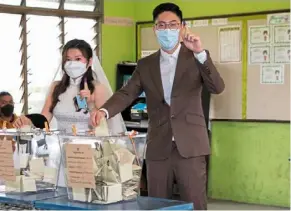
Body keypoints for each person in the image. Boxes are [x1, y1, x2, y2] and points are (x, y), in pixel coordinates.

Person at [91, 3, 225, 210]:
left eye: (173, 25)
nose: (167, 30)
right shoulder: (146, 64)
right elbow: (127, 93)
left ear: (183, 27)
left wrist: (200, 53)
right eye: (161, 25)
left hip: (190, 145)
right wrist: (104, 110)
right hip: (158, 145)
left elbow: (217, 87)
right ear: (155, 29)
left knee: (195, 204)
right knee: (157, 205)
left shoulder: (196, 57)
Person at [13, 39, 125, 134]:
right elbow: (45, 118)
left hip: (88, 148)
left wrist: (90, 103)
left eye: (78, 59)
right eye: (68, 59)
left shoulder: (97, 88)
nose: (72, 64)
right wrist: (28, 120)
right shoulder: (56, 87)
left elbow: (107, 123)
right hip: (61, 145)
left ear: (89, 61)